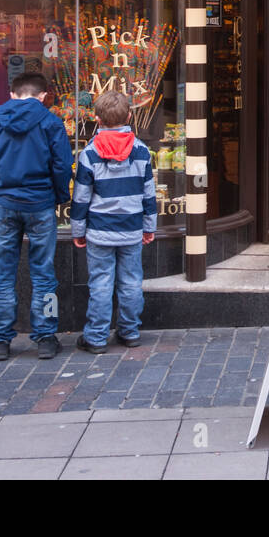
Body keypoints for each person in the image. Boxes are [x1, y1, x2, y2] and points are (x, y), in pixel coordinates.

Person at [0, 72, 73, 360]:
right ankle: (45, 336)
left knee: (3, 273)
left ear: (12, 94)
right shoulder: (51, 123)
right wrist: (58, 195)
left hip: (6, 204)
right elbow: (62, 165)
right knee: (44, 273)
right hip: (40, 204)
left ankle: (1, 340)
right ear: (43, 96)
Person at [70, 89, 157, 354]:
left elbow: (81, 198)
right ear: (130, 116)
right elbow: (149, 195)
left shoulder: (89, 153)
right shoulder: (141, 151)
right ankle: (129, 331)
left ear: (97, 119)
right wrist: (149, 226)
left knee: (100, 283)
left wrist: (78, 230)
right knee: (131, 282)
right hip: (131, 229)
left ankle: (96, 337)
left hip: (99, 231)